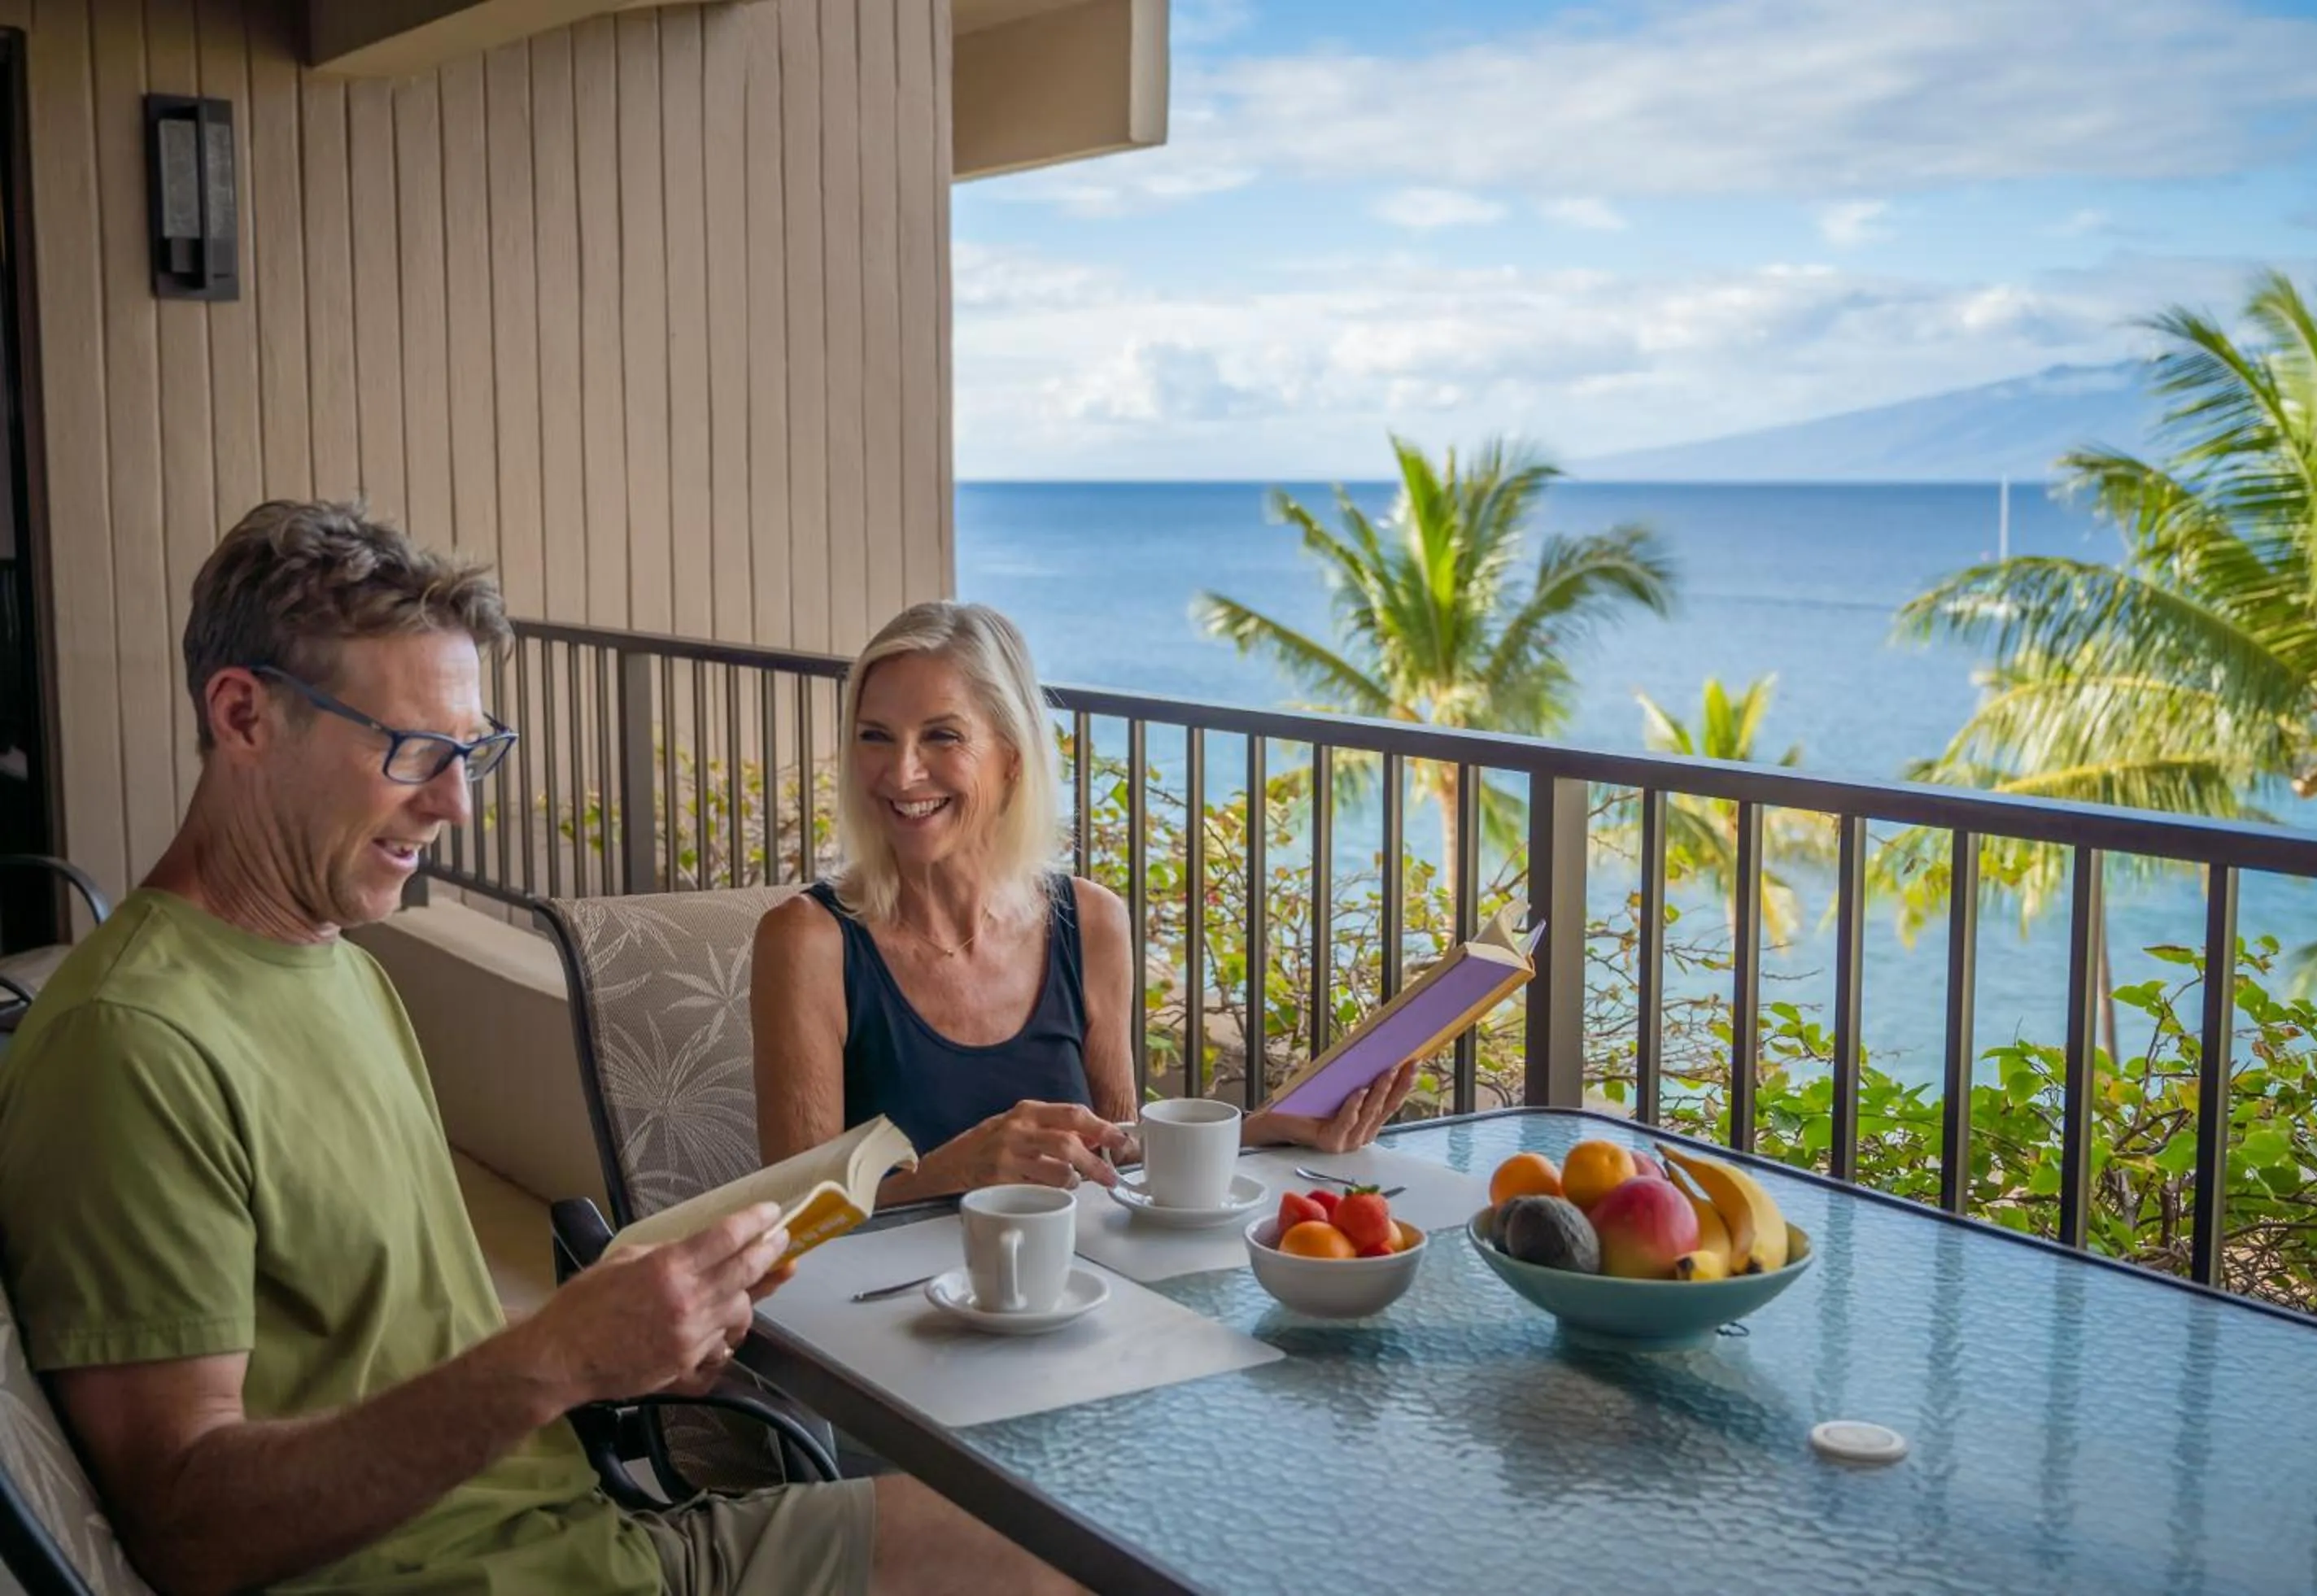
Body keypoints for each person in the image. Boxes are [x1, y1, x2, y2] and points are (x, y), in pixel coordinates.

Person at [0, 502, 1081, 1596]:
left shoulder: (343, 967)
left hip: (586, 1541)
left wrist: (618, 1348)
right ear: (243, 715)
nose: (455, 802)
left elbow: (403, 1347)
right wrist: (554, 1356)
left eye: (473, 751)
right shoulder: (129, 1043)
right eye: (414, 749)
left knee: (1066, 1540)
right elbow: (190, 1530)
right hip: (469, 1576)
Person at [751, 600, 1416, 1202]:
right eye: (875, 736)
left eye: (942, 736)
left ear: (1011, 758)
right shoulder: (809, 942)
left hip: (1070, 1298)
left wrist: (1267, 1128)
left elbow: (1115, 1150)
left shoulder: (1089, 922)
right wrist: (956, 1171)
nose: (901, 774)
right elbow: (793, 1211)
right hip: (879, 1318)